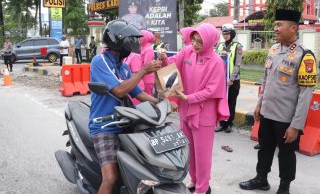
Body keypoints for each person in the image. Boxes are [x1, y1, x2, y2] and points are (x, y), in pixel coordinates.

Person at [89, 19, 177, 194]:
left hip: (127, 123)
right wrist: (143, 71)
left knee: (143, 168)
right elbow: (120, 91)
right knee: (111, 178)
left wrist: (161, 103)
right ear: (118, 42)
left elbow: (137, 93)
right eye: (131, 40)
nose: (134, 44)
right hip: (104, 126)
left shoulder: (123, 67)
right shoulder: (100, 61)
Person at [239, 9, 318, 194]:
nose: (275, 28)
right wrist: (259, 105)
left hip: (286, 119)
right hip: (267, 113)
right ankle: (261, 179)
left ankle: (284, 187)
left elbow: (305, 95)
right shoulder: (274, 49)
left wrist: (296, 125)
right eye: (275, 25)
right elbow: (266, 81)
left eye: (279, 25)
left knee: (286, 154)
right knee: (264, 149)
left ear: (293, 28)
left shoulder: (304, 56)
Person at [158, 23, 230, 194]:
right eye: (194, 40)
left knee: (203, 153)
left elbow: (212, 90)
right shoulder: (188, 52)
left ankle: (203, 187)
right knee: (189, 149)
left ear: (210, 42)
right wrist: (165, 60)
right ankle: (195, 179)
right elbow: (174, 65)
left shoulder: (217, 62)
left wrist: (189, 98)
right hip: (185, 108)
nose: (195, 44)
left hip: (204, 113)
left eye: (200, 42)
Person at [215, 24, 243, 133]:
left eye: (227, 33)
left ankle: (229, 124)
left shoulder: (237, 46)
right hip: (221, 80)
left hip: (232, 81)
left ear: (232, 34)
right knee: (222, 102)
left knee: (231, 102)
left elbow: (237, 64)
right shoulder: (220, 45)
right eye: (224, 33)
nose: (225, 35)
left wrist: (231, 79)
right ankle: (222, 123)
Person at [140, 29, 156, 96]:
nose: (139, 39)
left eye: (140, 37)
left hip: (147, 79)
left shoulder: (148, 49)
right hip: (142, 76)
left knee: (147, 98)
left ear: (145, 38)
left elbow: (147, 65)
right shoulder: (143, 48)